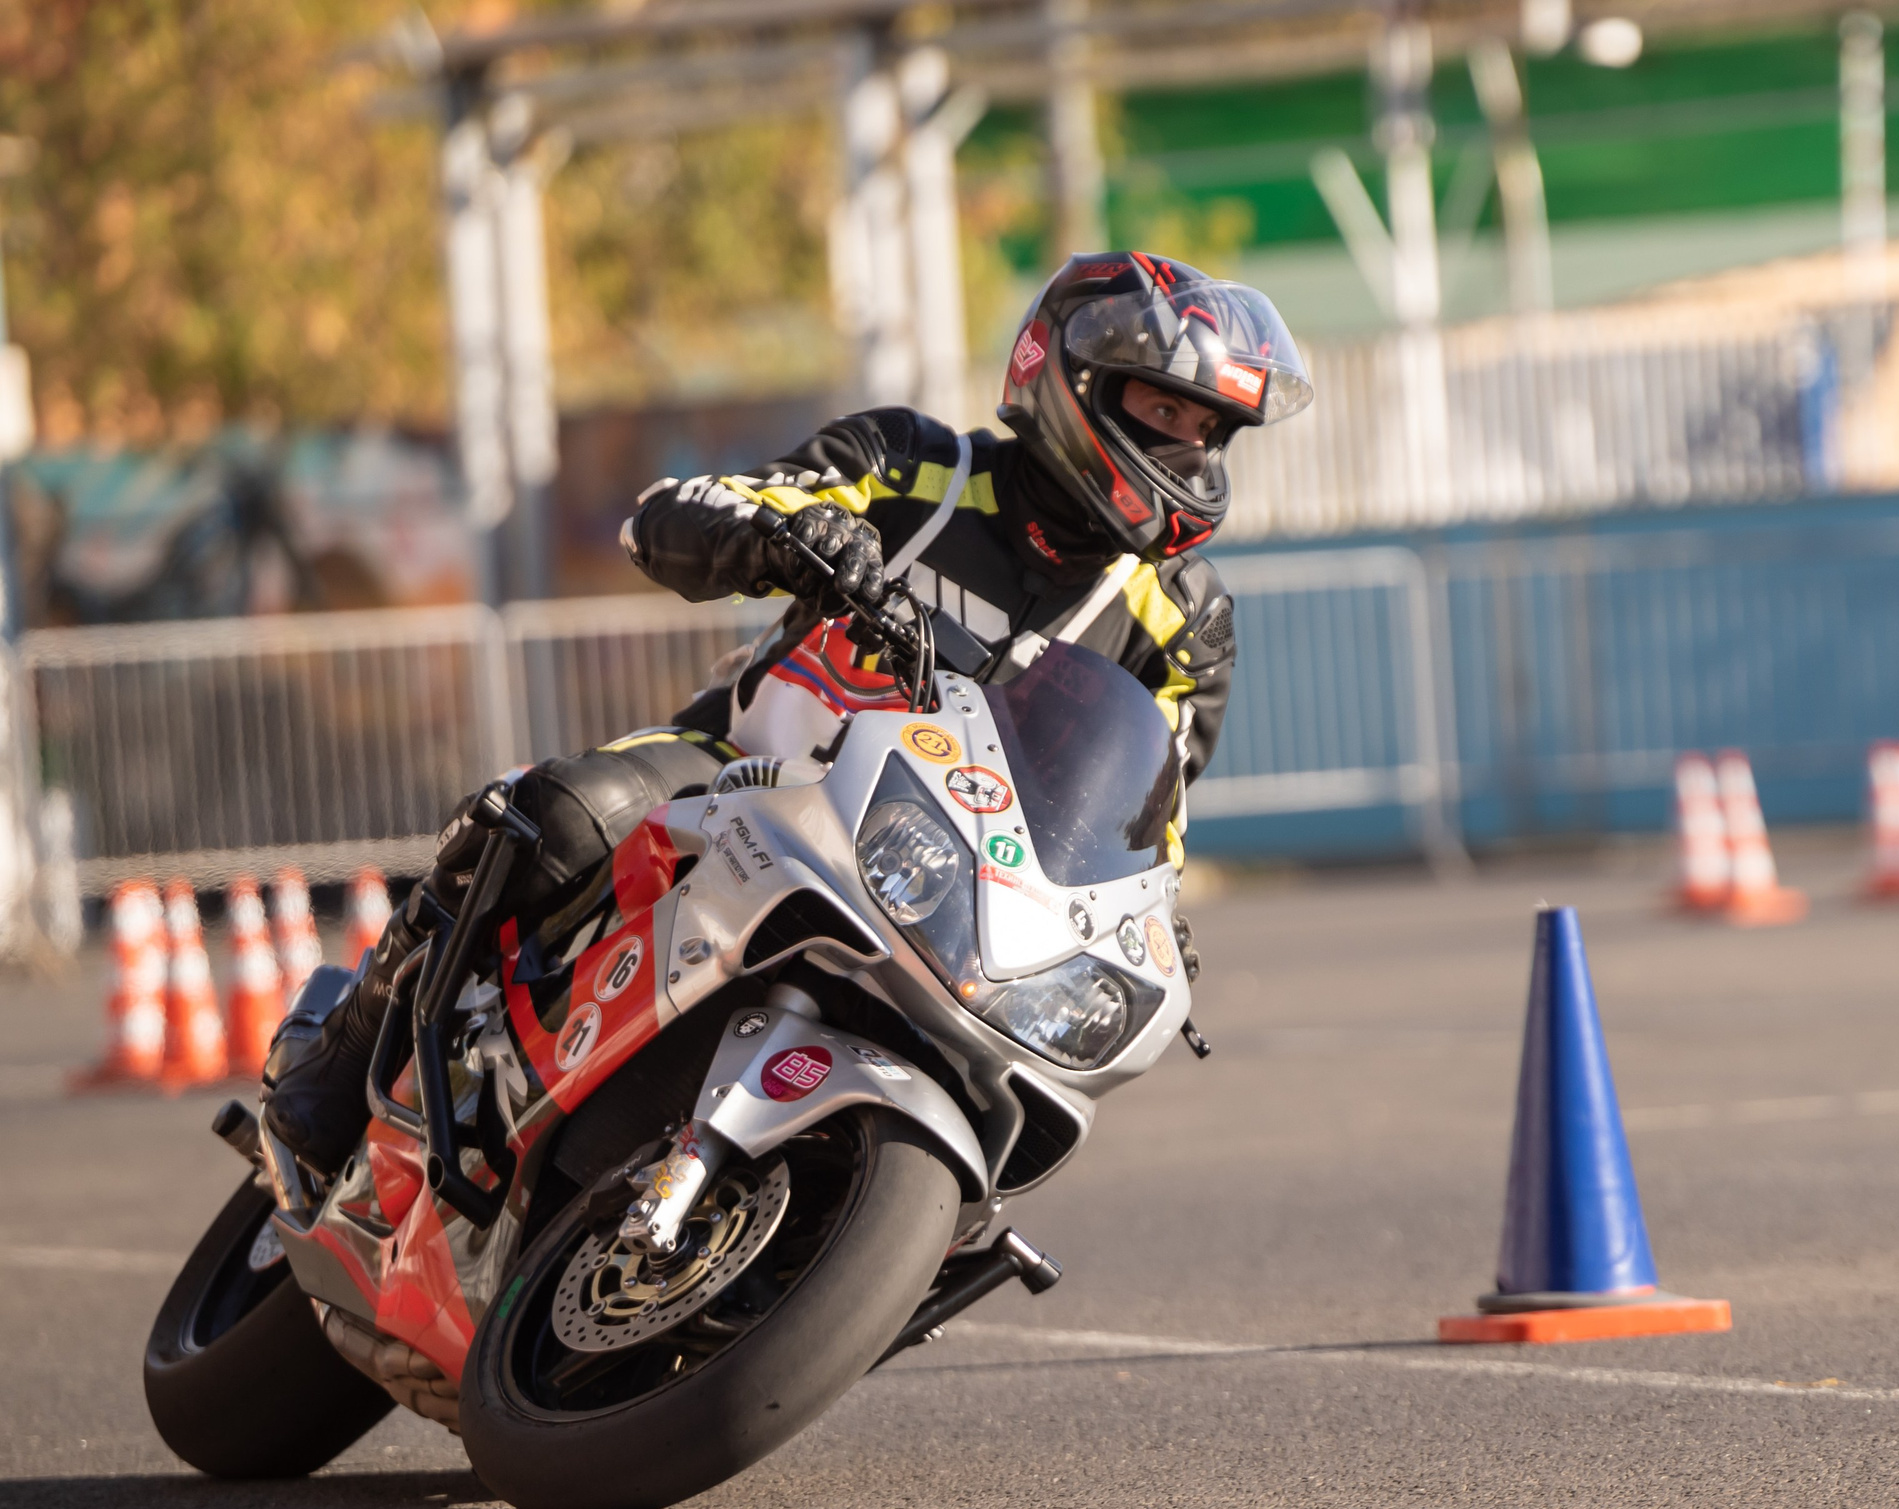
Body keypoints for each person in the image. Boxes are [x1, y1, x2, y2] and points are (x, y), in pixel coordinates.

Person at [264, 252, 1312, 1173]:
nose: (1184, 446)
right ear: (1072, 380)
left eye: (1205, 428)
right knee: (554, 816)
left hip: (949, 903)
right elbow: (676, 515)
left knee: (1021, 1110)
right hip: (739, 776)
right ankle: (345, 1050)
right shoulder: (921, 468)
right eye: (1160, 410)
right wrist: (783, 533)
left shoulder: (1181, 620)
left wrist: (1149, 918)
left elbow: (1147, 823)